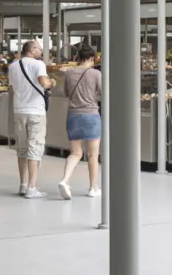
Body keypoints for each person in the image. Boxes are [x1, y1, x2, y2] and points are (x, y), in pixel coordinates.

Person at [8, 40, 53, 199]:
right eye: (40, 49)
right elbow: (44, 82)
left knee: (21, 149)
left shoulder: (13, 66)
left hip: (19, 110)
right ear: (32, 50)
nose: (41, 52)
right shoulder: (38, 64)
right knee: (35, 148)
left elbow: (12, 88)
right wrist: (52, 82)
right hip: (35, 112)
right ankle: (32, 188)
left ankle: (23, 184)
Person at [57, 45, 102, 200]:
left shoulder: (69, 73)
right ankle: (93, 187)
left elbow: (67, 93)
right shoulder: (95, 73)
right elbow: (102, 93)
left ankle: (65, 180)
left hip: (73, 116)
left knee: (75, 153)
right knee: (93, 154)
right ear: (92, 58)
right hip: (91, 116)